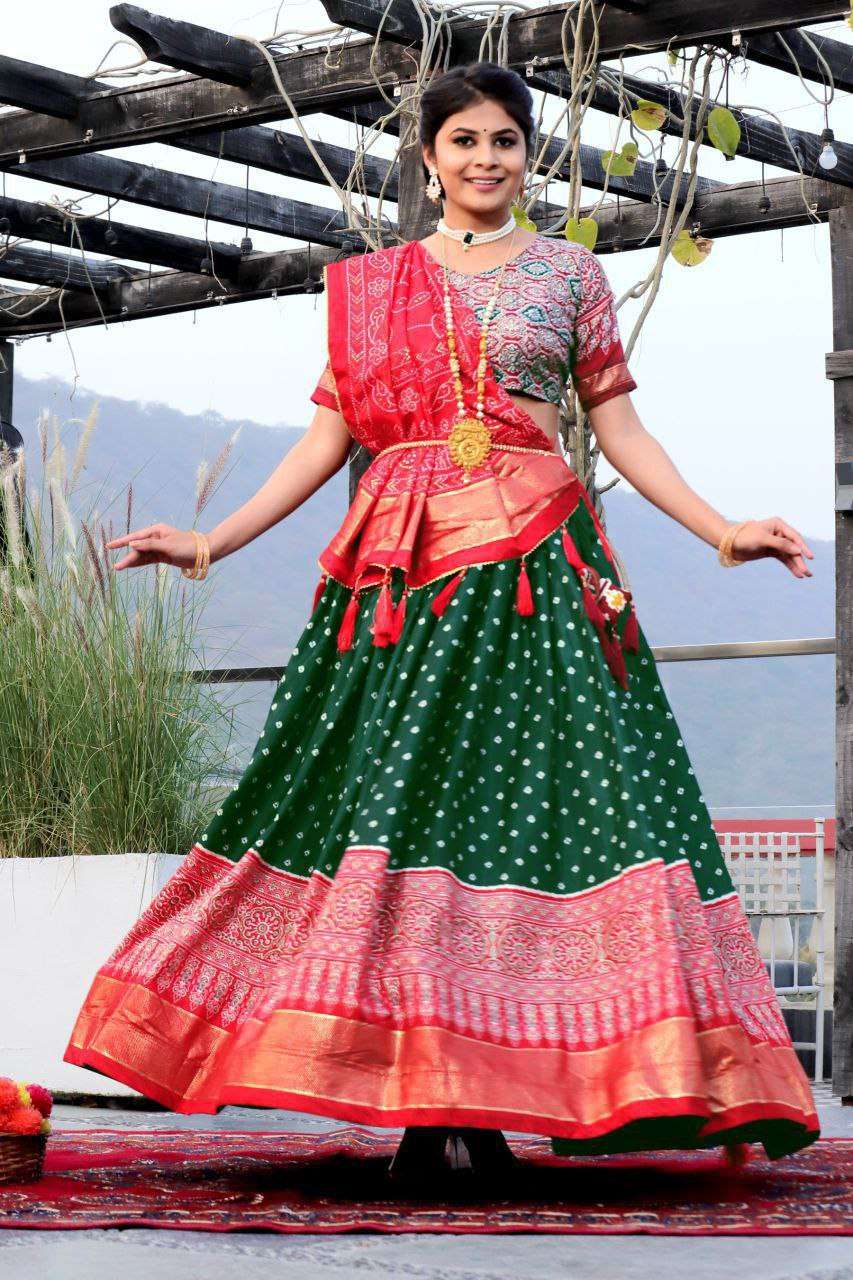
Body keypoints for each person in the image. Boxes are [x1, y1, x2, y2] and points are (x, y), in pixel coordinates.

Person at [64, 61, 820, 1185]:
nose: (484, 159)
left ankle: (502, 1098)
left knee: (523, 816)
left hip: (533, 578)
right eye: (463, 141)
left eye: (504, 141)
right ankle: (420, 1104)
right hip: (400, 584)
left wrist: (721, 528)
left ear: (528, 155)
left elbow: (619, 430)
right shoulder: (372, 285)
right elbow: (324, 440)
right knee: (399, 815)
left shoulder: (568, 274)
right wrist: (212, 540)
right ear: (428, 158)